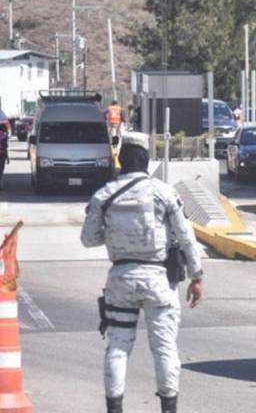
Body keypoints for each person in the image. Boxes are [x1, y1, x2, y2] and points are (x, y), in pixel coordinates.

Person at [81, 132, 203, 413]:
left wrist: (115, 233)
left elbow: (88, 239)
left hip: (120, 280)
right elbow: (186, 238)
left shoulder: (104, 195)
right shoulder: (164, 192)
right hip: (158, 281)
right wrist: (197, 277)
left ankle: (115, 408)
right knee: (164, 349)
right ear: (147, 160)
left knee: (118, 347)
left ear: (121, 159)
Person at [0, 123, 9, 190]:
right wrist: (7, 157)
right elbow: (5, 147)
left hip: (2, 153)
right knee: (1, 168)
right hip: (2, 154)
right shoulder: (4, 136)